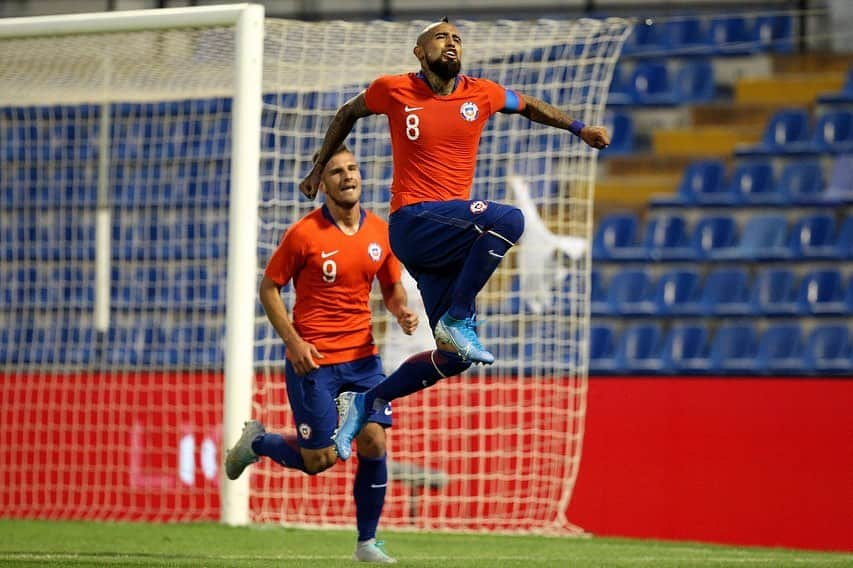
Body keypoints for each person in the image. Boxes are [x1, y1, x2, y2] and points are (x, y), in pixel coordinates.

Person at [298, 18, 611, 460]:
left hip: (446, 238)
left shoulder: (480, 92)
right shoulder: (393, 90)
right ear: (419, 51)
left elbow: (529, 106)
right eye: (442, 38)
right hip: (412, 220)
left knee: (453, 358)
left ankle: (369, 401)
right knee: (509, 220)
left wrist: (579, 129)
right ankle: (458, 317)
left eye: (458, 39)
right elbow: (347, 113)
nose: (452, 44)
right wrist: (317, 171)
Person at [225, 144, 418, 564]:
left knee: (373, 442)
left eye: (352, 168)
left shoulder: (380, 233)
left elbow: (390, 284)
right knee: (319, 461)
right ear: (323, 184)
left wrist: (399, 308)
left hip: (363, 360)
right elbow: (268, 287)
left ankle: (366, 543)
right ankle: (257, 443)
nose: (347, 176)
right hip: (313, 361)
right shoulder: (304, 234)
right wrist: (293, 341)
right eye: (336, 172)